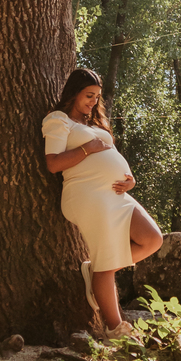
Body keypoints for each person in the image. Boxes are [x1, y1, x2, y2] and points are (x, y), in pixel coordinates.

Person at [42, 68, 163, 337]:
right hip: (87, 195)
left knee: (153, 239)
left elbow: (112, 155)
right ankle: (115, 330)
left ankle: (95, 273)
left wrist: (130, 179)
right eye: (88, 95)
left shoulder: (94, 125)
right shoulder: (58, 120)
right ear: (73, 93)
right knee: (106, 264)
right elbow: (53, 164)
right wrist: (86, 149)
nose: (93, 101)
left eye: (97, 97)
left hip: (116, 194)